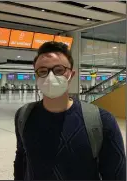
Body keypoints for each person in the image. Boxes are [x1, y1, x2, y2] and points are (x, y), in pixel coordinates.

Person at [14, 41, 126, 180]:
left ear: (71, 75)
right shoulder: (24, 115)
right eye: (42, 71)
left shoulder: (102, 121)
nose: (50, 77)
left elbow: (116, 175)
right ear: (36, 76)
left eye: (59, 70)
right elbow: (21, 159)